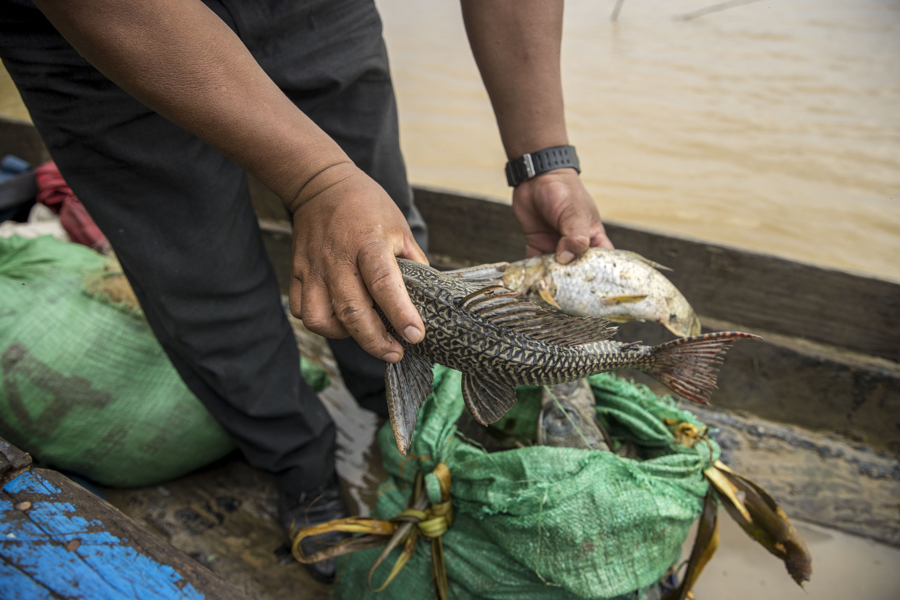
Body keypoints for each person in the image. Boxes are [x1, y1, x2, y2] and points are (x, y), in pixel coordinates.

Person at [0, 0, 613, 582]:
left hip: (312, 13)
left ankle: (408, 416)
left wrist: (543, 159)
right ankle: (298, 461)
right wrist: (319, 179)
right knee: (201, 279)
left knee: (392, 260)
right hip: (97, 33)